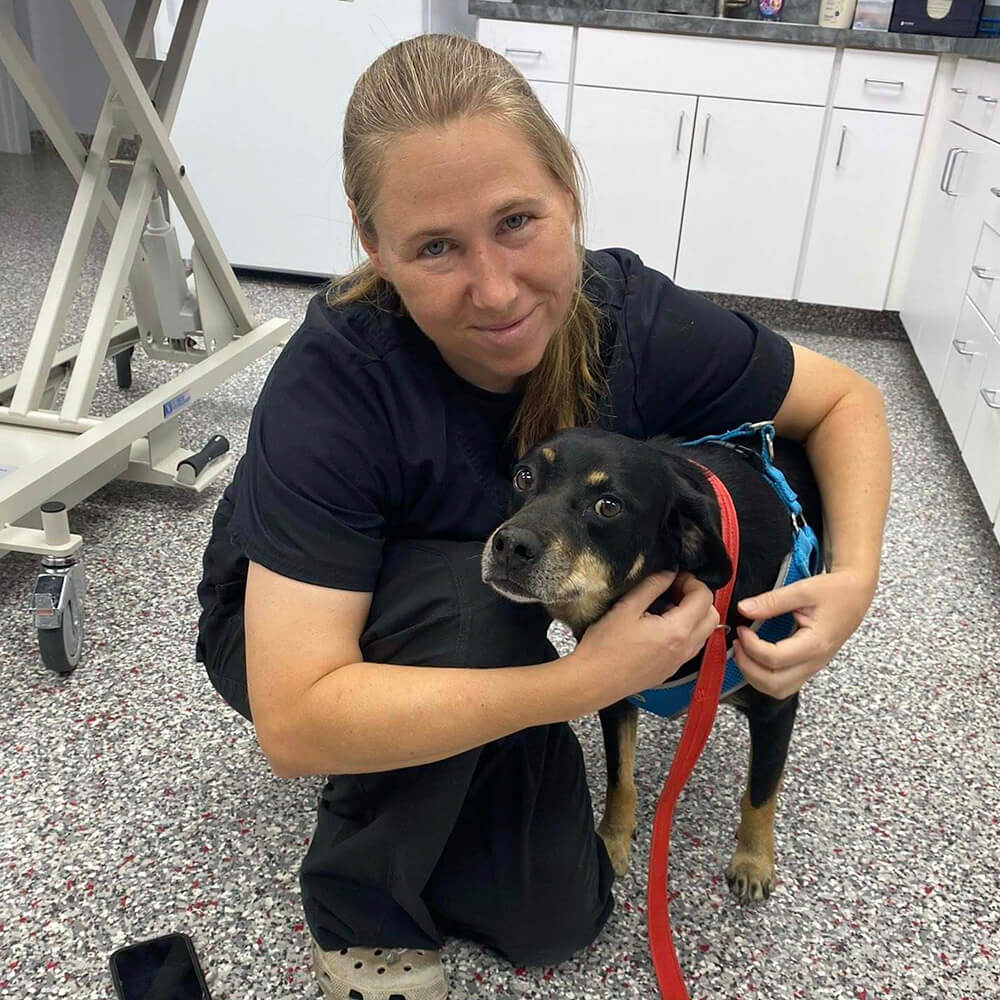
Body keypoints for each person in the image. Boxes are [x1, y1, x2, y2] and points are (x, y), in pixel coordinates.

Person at [194, 33, 890, 1000]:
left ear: (568, 189)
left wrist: (852, 581)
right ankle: (361, 909)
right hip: (295, 641)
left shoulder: (625, 314)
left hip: (490, 634)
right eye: (435, 246)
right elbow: (295, 721)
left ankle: (446, 743)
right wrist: (581, 684)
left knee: (554, 915)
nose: (495, 291)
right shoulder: (338, 385)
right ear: (372, 244)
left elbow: (847, 403)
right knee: (476, 611)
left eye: (517, 221)